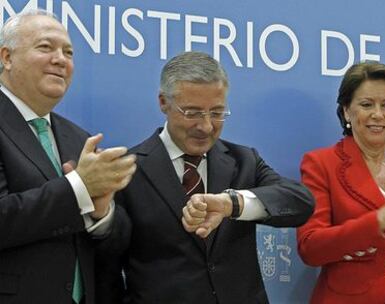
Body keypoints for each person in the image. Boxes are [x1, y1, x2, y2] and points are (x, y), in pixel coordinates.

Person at [95, 51, 314, 304]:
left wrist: (231, 204)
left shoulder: (243, 161)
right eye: (192, 113)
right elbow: (105, 269)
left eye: (217, 113)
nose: (206, 126)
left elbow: (300, 203)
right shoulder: (127, 170)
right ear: (163, 102)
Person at [0, 10, 137, 304]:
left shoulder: (79, 138)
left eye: (68, 52)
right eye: (45, 47)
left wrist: (101, 214)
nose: (61, 60)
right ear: (7, 57)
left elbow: (112, 248)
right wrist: (78, 189)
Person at [297, 61, 385, 303]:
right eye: (366, 104)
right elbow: (311, 248)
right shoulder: (321, 164)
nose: (378, 114)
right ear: (347, 111)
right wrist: (382, 219)